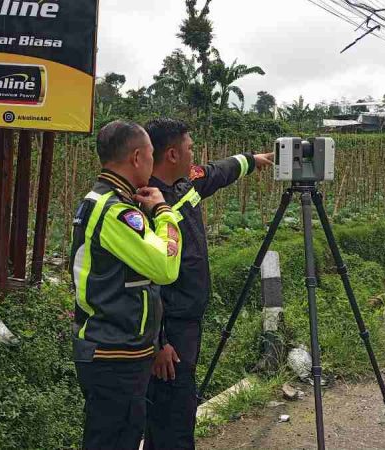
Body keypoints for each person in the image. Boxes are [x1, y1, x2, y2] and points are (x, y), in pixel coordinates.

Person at [143, 118, 273, 449]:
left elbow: (217, 172)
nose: (194, 154)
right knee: (172, 414)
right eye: (189, 148)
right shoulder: (146, 203)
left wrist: (252, 160)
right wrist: (159, 343)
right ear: (171, 154)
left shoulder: (186, 185)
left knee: (180, 407)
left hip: (188, 322)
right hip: (168, 331)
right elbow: (144, 278)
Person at [70, 120, 184, 450]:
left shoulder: (105, 200)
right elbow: (165, 267)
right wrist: (165, 213)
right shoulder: (115, 210)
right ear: (136, 157)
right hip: (113, 354)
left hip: (114, 349)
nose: (153, 162)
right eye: (150, 154)